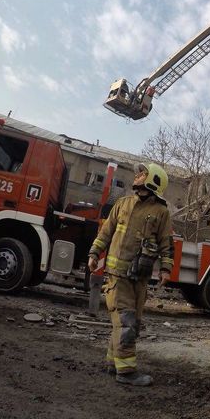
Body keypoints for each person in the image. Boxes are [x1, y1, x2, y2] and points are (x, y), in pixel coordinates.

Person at [87, 163, 173, 386]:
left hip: (139, 278)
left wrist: (166, 268)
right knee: (125, 321)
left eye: (142, 173)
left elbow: (166, 243)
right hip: (118, 276)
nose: (137, 176)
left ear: (152, 180)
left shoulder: (161, 212)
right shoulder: (122, 204)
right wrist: (94, 252)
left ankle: (112, 362)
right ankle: (125, 371)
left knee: (130, 322)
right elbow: (106, 232)